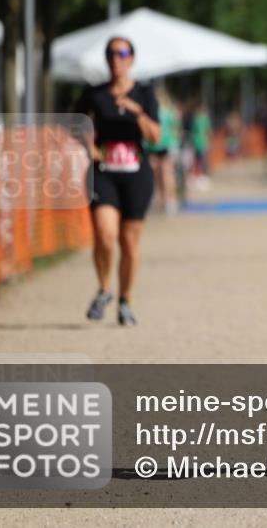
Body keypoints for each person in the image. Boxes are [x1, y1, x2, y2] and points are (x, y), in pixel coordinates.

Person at [75, 37, 161, 325]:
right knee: (104, 234)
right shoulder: (95, 94)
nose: (117, 58)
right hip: (104, 172)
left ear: (132, 58)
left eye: (122, 53)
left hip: (137, 173)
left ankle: (126, 299)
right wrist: (88, 146)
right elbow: (74, 123)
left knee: (129, 242)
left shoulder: (145, 93)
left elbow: (155, 136)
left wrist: (137, 111)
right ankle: (104, 290)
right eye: (111, 53)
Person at [145, 85, 180, 215]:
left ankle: (166, 199)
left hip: (159, 146)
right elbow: (176, 129)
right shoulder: (170, 111)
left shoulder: (155, 111)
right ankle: (167, 200)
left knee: (160, 174)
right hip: (161, 146)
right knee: (165, 174)